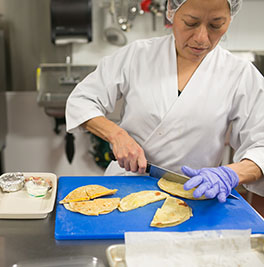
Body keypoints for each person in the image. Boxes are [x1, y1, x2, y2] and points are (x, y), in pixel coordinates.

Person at [65, 0, 264, 202]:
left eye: (216, 25)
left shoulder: (240, 74)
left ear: (230, 20)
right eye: (190, 23)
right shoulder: (138, 55)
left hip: (196, 195)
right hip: (125, 188)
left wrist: (231, 174)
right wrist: (117, 135)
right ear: (171, 10)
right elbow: (82, 100)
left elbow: (261, 146)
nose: (202, 38)